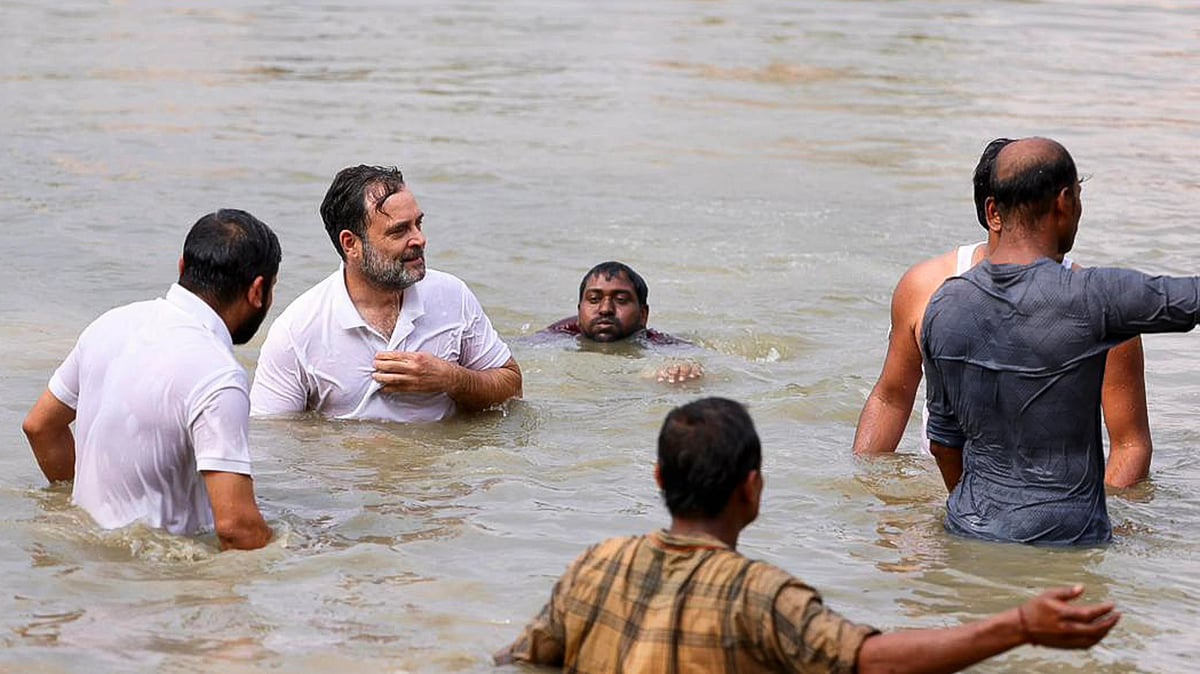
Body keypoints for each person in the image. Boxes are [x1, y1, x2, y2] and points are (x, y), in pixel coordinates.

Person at [495, 397, 1119, 673]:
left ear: (659, 478)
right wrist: (1018, 626)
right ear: (753, 490)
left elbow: (520, 660)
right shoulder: (762, 596)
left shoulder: (595, 564)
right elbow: (873, 663)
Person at [923, 137, 1200, 545]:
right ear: (1065, 202)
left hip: (966, 533)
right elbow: (1188, 299)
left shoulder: (944, 303)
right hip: (1066, 545)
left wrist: (990, 516)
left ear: (993, 210)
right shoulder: (1092, 297)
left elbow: (943, 444)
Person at [852, 139, 1152, 490]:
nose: (1067, 212)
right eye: (1044, 205)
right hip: (941, 493)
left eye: (1070, 199)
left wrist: (1092, 522)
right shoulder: (924, 287)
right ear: (993, 214)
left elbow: (1131, 446)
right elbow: (891, 398)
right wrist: (861, 490)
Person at [21, 210, 278, 551]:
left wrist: (88, 505)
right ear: (258, 291)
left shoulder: (110, 324)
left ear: (182, 267)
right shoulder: (219, 374)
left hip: (84, 569)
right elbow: (236, 527)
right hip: (160, 587)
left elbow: (40, 427)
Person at [250, 165, 522, 422]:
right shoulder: (297, 329)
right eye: (399, 230)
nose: (419, 239)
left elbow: (513, 388)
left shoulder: (451, 295)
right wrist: (350, 446)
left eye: (418, 224)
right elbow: (274, 440)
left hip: (442, 470)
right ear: (351, 244)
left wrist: (453, 379)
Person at [542, 261, 703, 384]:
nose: (605, 309)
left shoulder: (664, 345)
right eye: (594, 299)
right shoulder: (556, 334)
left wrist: (682, 370)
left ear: (643, 314)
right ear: (579, 310)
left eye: (621, 300)